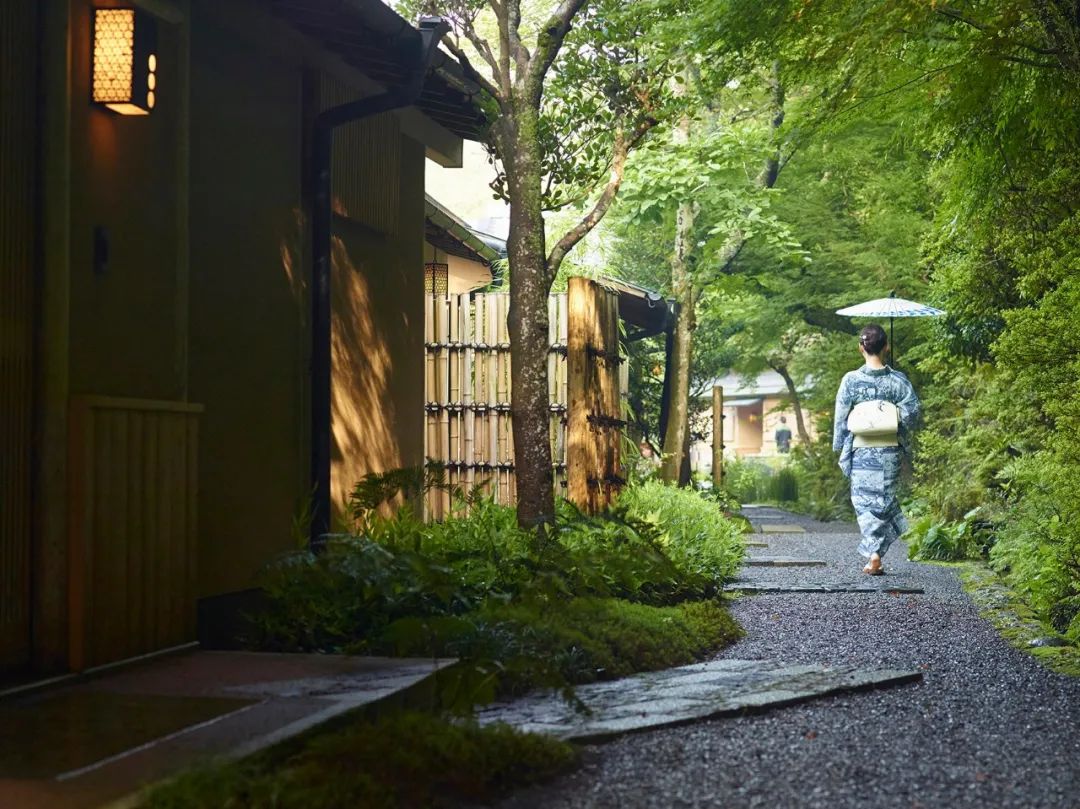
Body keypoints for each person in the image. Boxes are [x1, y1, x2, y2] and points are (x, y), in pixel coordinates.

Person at [833, 324, 921, 575]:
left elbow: (841, 418)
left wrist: (839, 445)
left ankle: (873, 554)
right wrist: (890, 415)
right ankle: (877, 553)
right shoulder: (898, 381)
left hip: (861, 450)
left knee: (864, 502)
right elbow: (912, 415)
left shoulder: (851, 380)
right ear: (886, 347)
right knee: (884, 500)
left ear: (860, 348)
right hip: (889, 450)